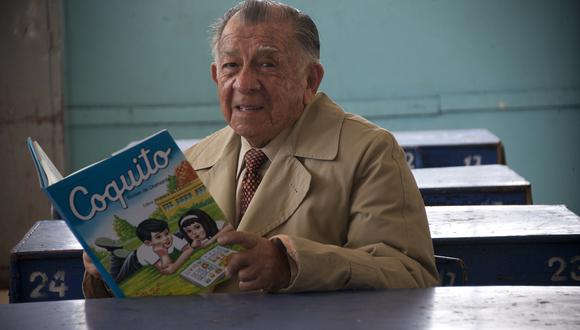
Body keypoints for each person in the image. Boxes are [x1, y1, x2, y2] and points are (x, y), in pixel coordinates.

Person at [83, 0, 438, 297]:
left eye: (267, 64)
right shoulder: (189, 163)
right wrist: (107, 275)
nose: (245, 83)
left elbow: (411, 276)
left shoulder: (371, 152)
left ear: (310, 80)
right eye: (231, 66)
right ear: (215, 77)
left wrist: (291, 265)